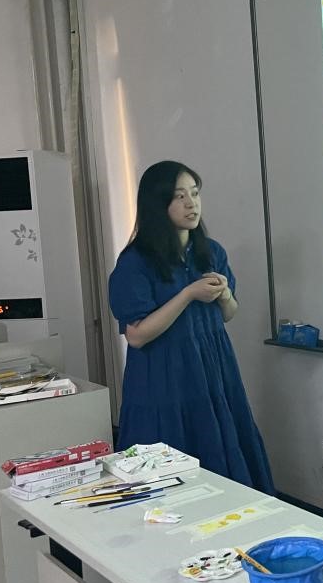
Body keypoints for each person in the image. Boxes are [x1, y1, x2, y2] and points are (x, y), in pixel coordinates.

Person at [109, 160, 274, 493]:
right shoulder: (135, 262)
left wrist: (225, 294)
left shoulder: (211, 252)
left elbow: (228, 313)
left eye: (195, 194)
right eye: (179, 196)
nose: (191, 204)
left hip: (212, 367)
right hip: (163, 374)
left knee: (221, 449)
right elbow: (137, 335)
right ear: (158, 204)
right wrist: (187, 295)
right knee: (170, 465)